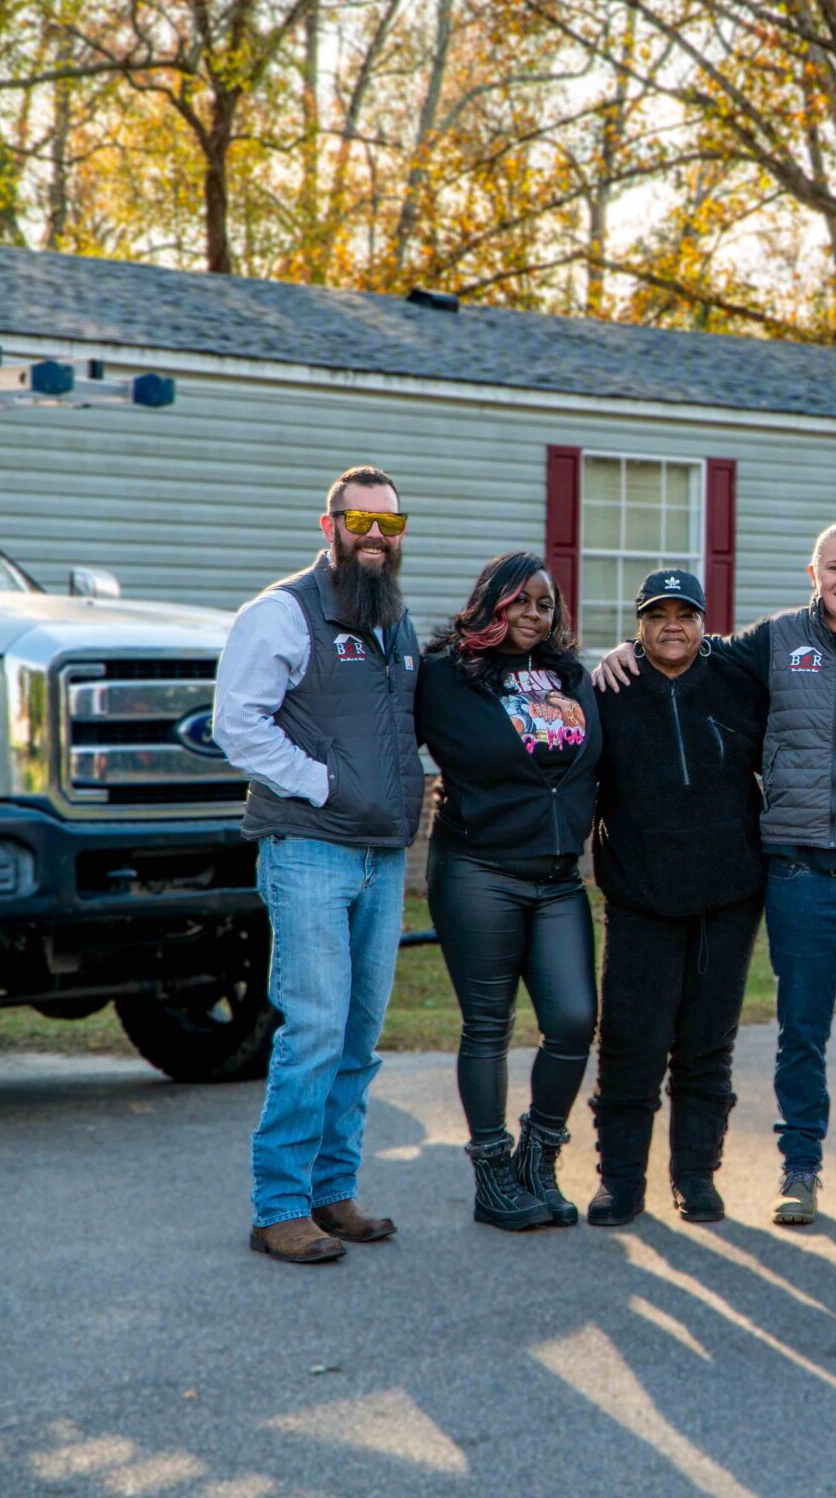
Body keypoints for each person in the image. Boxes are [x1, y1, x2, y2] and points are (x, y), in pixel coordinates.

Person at [592, 526, 836, 1229]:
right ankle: (660, 1180)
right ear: (812, 570)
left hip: (825, 877)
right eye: (832, 566)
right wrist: (614, 655)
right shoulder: (756, 649)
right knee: (692, 1040)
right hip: (729, 880)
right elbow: (679, 661)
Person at [215, 465, 424, 1265]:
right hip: (309, 850)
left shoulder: (393, 620)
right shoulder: (281, 613)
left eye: (391, 525)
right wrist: (323, 784)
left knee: (360, 1034)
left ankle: (334, 1192)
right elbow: (238, 723)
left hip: (381, 854)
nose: (376, 536)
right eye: (361, 521)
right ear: (329, 524)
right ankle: (279, 1206)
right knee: (313, 1029)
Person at [415, 551, 601, 1232]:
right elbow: (381, 736)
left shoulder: (571, 676)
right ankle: (492, 1173)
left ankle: (538, 1158)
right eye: (518, 601)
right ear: (489, 602)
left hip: (557, 879)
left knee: (575, 1019)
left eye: (544, 604)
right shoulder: (442, 676)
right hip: (479, 872)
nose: (532, 613)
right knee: (488, 1025)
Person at [585, 568, 767, 1227]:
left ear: (702, 622)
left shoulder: (737, 683)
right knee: (630, 1043)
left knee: (705, 1044)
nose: (671, 625)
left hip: (729, 893)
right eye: (657, 614)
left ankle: (696, 1175)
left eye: (684, 614)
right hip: (641, 895)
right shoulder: (609, 689)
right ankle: (620, 1180)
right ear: (638, 625)